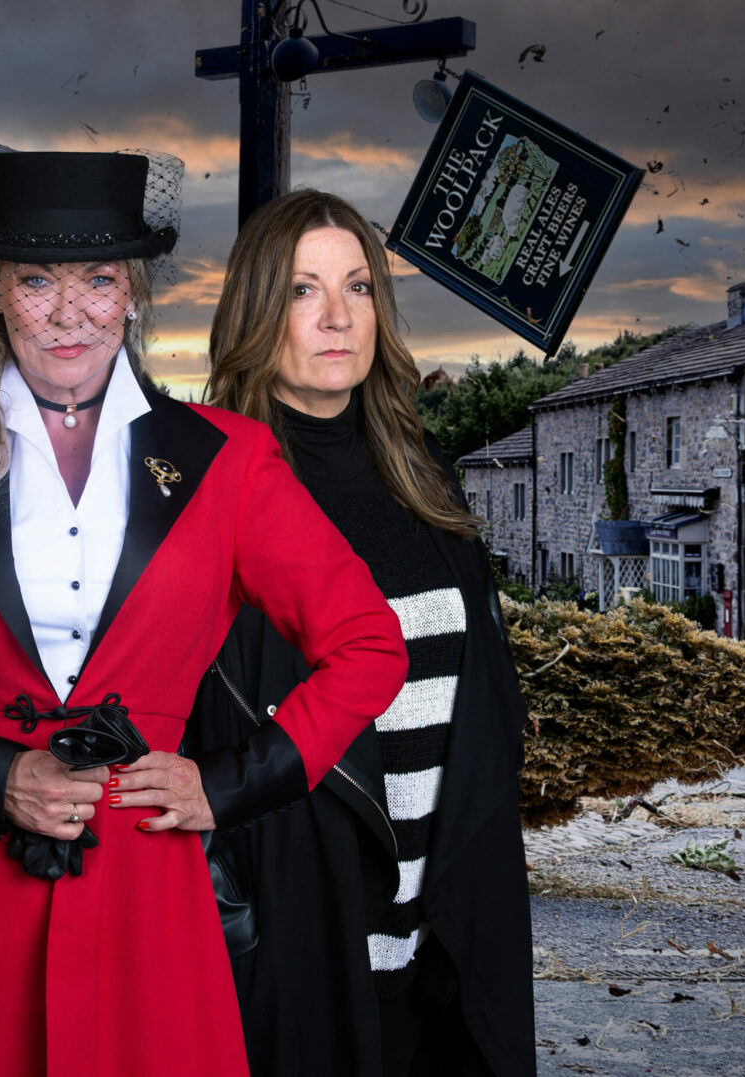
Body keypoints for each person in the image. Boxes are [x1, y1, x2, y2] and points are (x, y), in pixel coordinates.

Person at [0, 147, 409, 1077]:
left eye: (99, 279)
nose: (70, 311)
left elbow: (368, 645)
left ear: (133, 293)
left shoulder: (227, 461)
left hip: (145, 905)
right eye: (36, 280)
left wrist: (231, 782)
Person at [194, 188, 535, 1076]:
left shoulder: (428, 488)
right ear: (257, 311)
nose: (339, 316)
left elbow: (484, 708)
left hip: (442, 941)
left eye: (359, 287)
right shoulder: (211, 496)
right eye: (305, 290)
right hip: (300, 935)